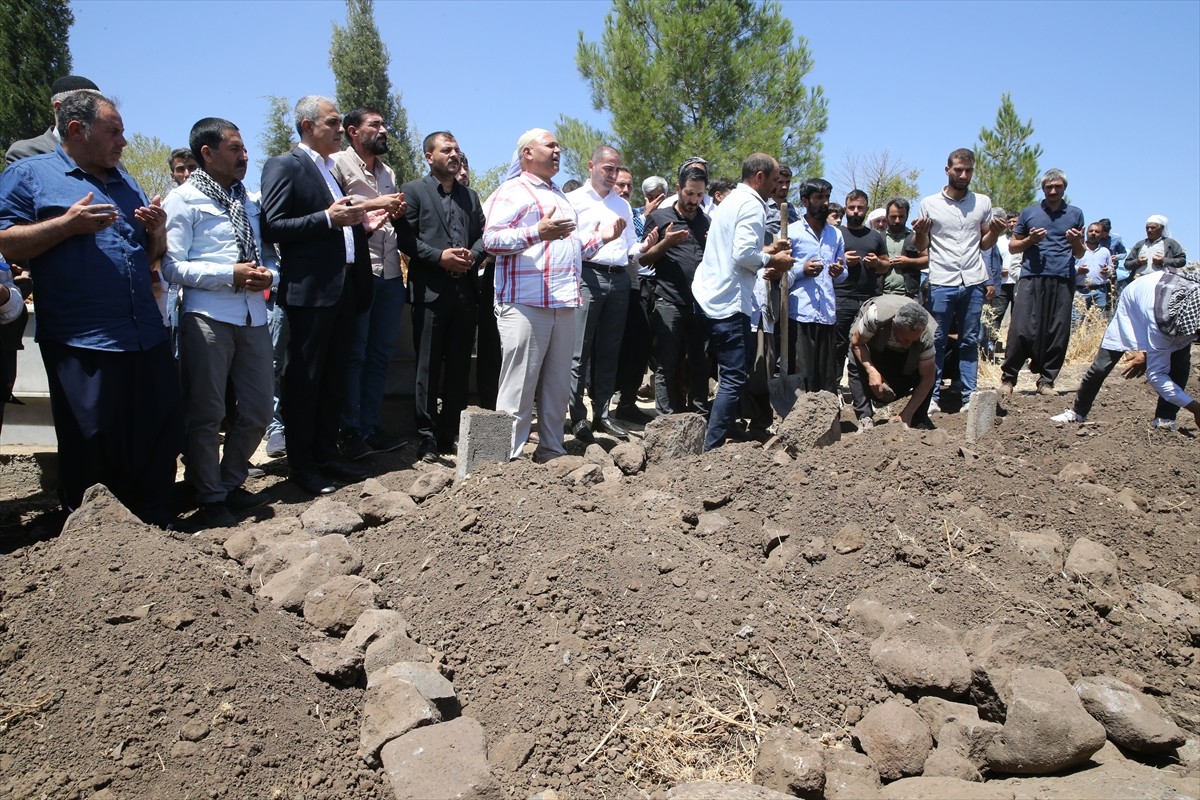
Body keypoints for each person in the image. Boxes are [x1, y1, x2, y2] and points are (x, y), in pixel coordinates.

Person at [0, 90, 182, 526]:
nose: (123, 141)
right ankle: (96, 533)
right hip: (83, 336)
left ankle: (157, 523)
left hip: (144, 332)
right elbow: (4, 241)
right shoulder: (30, 175)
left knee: (157, 429)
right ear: (78, 130)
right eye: (113, 132)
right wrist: (66, 226)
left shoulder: (126, 182)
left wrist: (156, 234)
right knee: (93, 437)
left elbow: (150, 255)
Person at [260, 95, 397, 496]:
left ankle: (326, 453)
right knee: (305, 380)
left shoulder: (330, 171)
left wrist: (359, 224)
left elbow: (341, 225)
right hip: (312, 294)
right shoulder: (285, 164)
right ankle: (302, 465)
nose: (341, 130)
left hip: (344, 292)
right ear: (307, 126)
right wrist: (327, 218)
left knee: (334, 378)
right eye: (333, 123)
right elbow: (274, 225)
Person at [482, 129, 624, 462]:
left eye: (558, 145)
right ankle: (506, 461)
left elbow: (571, 249)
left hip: (563, 302)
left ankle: (551, 450)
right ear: (527, 153)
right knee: (519, 386)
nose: (558, 150)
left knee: (557, 387)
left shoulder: (560, 195)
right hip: (526, 301)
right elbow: (491, 240)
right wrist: (536, 232)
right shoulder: (512, 190)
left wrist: (601, 238)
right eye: (550, 145)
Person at [162, 117, 275, 529]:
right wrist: (230, 273)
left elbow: (270, 258)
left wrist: (268, 276)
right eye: (234, 149)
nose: (244, 156)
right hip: (207, 316)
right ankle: (209, 495)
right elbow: (172, 268)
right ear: (206, 154)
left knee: (259, 408)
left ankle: (229, 482)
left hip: (253, 315)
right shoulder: (184, 200)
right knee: (207, 412)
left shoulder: (250, 200)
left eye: (244, 149)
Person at [691, 152, 792, 451]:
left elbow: (733, 244)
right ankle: (713, 446)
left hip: (708, 295)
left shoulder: (731, 200)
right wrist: (773, 259)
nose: (777, 187)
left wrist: (768, 247)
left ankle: (723, 426)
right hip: (729, 302)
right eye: (775, 180)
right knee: (734, 378)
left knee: (735, 367)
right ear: (760, 177)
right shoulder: (752, 205)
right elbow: (743, 255)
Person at [397, 131, 487, 463]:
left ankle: (451, 432)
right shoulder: (413, 191)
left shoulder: (470, 197)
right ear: (428, 156)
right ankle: (427, 437)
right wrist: (439, 257)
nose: (453, 154)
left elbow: (484, 237)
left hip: (465, 292)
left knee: (460, 366)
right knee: (427, 367)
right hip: (430, 292)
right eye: (446, 149)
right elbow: (405, 238)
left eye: (456, 149)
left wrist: (471, 257)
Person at [331, 107, 409, 459]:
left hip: (391, 273)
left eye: (383, 124)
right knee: (354, 355)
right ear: (353, 131)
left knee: (380, 356)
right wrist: (371, 211)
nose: (383, 130)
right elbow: (336, 212)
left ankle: (370, 427)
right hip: (358, 273)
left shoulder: (388, 171)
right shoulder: (336, 165)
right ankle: (348, 432)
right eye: (374, 125)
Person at [566, 145, 654, 442]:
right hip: (587, 275)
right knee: (580, 350)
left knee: (609, 350)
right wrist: (601, 237)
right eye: (608, 168)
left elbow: (630, 247)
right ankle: (577, 416)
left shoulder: (622, 205)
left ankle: (602, 414)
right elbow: (567, 244)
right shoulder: (574, 200)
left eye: (617, 169)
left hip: (618, 279)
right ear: (591, 165)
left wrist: (644, 246)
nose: (613, 174)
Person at [1051, 268, 1199, 431]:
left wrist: (1148, 353)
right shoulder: (1164, 320)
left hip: (1162, 304)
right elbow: (1156, 375)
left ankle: (1165, 420)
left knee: (1180, 365)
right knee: (1102, 365)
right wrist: (1196, 408)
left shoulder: (1191, 314)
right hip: (1135, 304)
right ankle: (1077, 413)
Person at [913, 148, 1004, 413]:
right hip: (942, 278)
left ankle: (969, 397)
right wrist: (919, 232)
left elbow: (984, 243)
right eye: (958, 170)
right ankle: (931, 396)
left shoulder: (982, 203)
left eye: (968, 171)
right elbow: (922, 245)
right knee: (937, 340)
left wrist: (995, 234)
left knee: (969, 339)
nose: (963, 175)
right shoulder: (930, 203)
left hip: (973, 278)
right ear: (947, 170)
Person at [999, 168, 1085, 398]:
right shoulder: (1029, 213)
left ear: (1064, 188)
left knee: (1057, 330)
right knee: (1020, 328)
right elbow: (1013, 247)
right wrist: (1031, 239)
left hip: (1062, 277)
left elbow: (1079, 253)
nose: (1053, 190)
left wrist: (1076, 242)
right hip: (1031, 275)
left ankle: (1046, 380)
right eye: (1049, 187)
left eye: (1057, 186)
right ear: (1043, 189)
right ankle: (1008, 379)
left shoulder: (1075, 214)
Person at [641, 166, 710, 415]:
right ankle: (666, 418)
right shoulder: (660, 218)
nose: (694, 200)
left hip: (700, 304)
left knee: (700, 362)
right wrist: (666, 242)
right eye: (690, 193)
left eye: (700, 195)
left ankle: (700, 413)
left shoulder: (706, 222)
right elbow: (644, 259)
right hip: (668, 300)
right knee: (667, 363)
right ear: (679, 188)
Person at [786, 178, 845, 395]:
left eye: (827, 198)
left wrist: (839, 272)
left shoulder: (836, 234)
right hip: (801, 313)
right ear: (805, 201)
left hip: (827, 313)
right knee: (803, 376)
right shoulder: (791, 232)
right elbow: (781, 274)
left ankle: (827, 424)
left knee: (826, 377)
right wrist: (803, 270)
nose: (825, 203)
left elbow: (842, 272)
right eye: (819, 198)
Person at [849, 296, 937, 430]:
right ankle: (864, 417)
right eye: (906, 339)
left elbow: (928, 378)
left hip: (905, 361)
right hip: (874, 348)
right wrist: (871, 370)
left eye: (913, 340)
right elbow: (856, 343)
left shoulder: (926, 335)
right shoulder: (876, 315)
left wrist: (906, 414)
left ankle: (917, 419)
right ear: (894, 324)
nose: (908, 344)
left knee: (930, 370)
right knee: (855, 359)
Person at [613, 166, 658, 422]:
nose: (625, 190)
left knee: (637, 347)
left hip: (635, 287)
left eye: (629, 185)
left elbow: (640, 249)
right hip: (608, 287)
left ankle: (627, 403)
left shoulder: (632, 212)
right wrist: (646, 215)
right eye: (621, 185)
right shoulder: (611, 210)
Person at [835, 189, 890, 389]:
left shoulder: (875, 236)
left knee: (864, 346)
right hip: (841, 298)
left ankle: (866, 391)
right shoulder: (836, 233)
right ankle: (834, 391)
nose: (856, 211)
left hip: (868, 299)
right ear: (845, 208)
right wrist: (841, 261)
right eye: (852, 208)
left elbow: (886, 265)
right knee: (838, 346)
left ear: (866, 209)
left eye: (860, 208)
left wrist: (876, 263)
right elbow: (825, 263)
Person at [5, 75, 100, 164]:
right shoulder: (27, 153)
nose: (97, 116)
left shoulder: (104, 155)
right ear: (59, 108)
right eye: (88, 108)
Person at [879, 198, 926, 299]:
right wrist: (881, 263)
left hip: (908, 296)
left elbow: (927, 260)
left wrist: (909, 261)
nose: (897, 221)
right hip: (880, 296)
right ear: (887, 216)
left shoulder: (915, 238)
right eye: (893, 217)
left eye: (901, 217)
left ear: (907, 216)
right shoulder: (877, 238)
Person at [1072, 222, 1111, 326]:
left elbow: (1111, 270)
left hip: (1100, 291)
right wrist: (1078, 270)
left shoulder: (1105, 251)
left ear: (1101, 234)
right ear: (1087, 233)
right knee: (1076, 322)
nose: (1093, 233)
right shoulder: (1078, 249)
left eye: (1097, 231)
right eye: (1091, 231)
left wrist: (1108, 271)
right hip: (1081, 291)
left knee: (1094, 324)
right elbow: (1068, 266)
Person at [1123, 215, 1187, 279]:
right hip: (1139, 280)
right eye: (1147, 228)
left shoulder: (1170, 243)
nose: (1149, 230)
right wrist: (1138, 262)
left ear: (1161, 229)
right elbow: (1127, 264)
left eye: (1153, 227)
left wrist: (1163, 261)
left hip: (1162, 281)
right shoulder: (1140, 244)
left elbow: (1182, 261)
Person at [634, 175, 667, 241]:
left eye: (658, 197)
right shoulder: (634, 213)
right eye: (650, 197)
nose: (655, 201)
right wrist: (645, 216)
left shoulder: (671, 214)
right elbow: (636, 240)